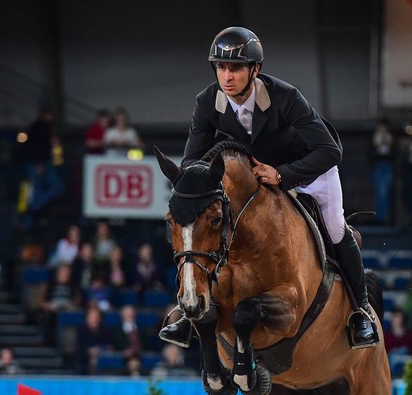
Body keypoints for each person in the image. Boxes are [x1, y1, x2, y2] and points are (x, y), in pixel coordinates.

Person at [160, 27, 377, 348]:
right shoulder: (208, 102)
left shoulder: (285, 97)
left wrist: (284, 175)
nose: (227, 76)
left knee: (333, 228)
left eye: (235, 68)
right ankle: (189, 306)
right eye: (221, 67)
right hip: (259, 180)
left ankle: (361, 311)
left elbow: (331, 151)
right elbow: (194, 162)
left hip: (307, 170)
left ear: (254, 70)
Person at [370, 118, 395, 224]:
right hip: (378, 165)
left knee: (384, 193)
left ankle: (384, 218)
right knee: (380, 193)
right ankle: (380, 218)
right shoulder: (375, 138)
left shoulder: (390, 139)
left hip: (386, 165)